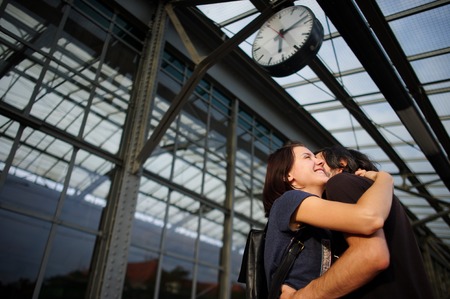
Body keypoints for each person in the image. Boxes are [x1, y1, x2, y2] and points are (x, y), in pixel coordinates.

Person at [280, 145, 434, 298]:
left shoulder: (340, 182)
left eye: (320, 159)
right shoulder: (380, 196)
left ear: (342, 163)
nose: (317, 163)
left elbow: (371, 255)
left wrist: (303, 295)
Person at [262, 142, 394, 297]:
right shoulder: (289, 200)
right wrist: (385, 179)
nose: (319, 161)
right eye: (307, 157)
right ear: (288, 175)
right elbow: (370, 218)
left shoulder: (324, 218)